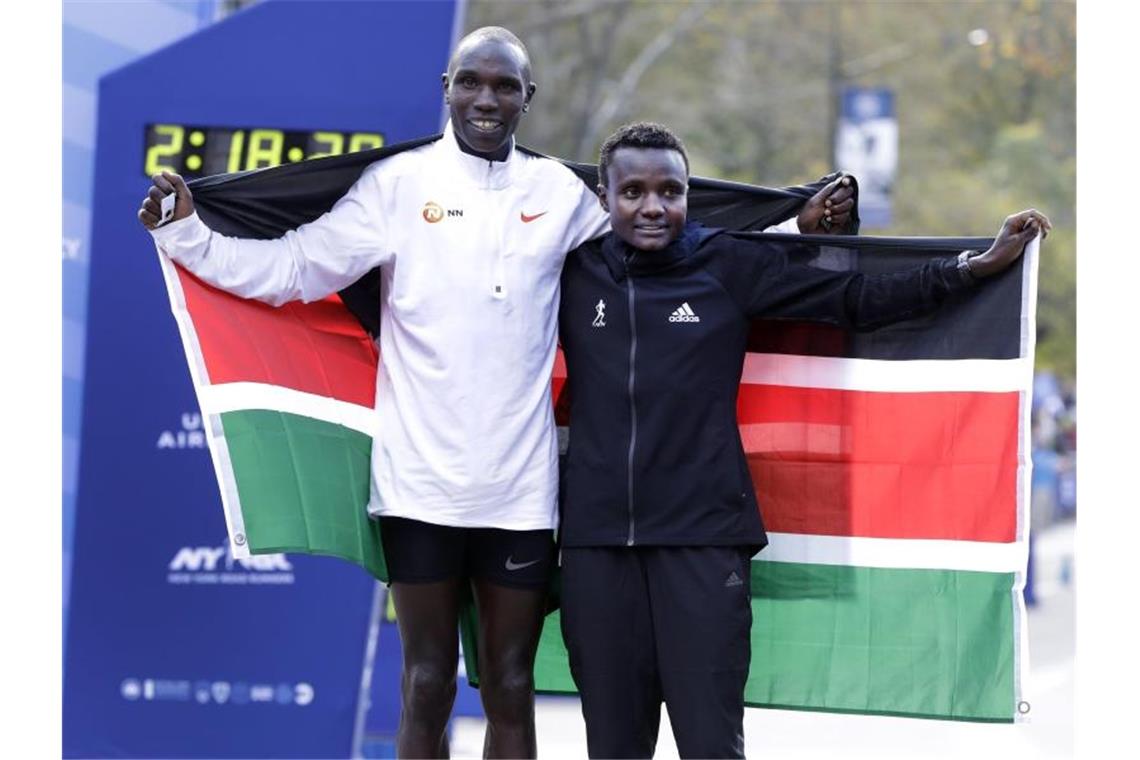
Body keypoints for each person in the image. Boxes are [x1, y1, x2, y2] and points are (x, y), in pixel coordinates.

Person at [137, 27, 852, 759]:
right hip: (418, 486)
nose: (487, 98)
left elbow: (673, 236)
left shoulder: (557, 193)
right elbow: (291, 271)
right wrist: (188, 235)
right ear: (446, 87)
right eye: (472, 81)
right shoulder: (396, 186)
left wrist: (792, 223)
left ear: (527, 99)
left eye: (505, 86)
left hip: (520, 492)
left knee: (510, 683)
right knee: (425, 684)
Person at [555, 121, 1050, 759]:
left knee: (711, 746)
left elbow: (859, 297)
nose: (653, 207)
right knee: (613, 749)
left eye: (670, 191)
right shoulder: (569, 270)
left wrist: (971, 267)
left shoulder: (728, 263)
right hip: (597, 545)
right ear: (603, 198)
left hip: (704, 542)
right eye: (633, 193)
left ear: (687, 196)